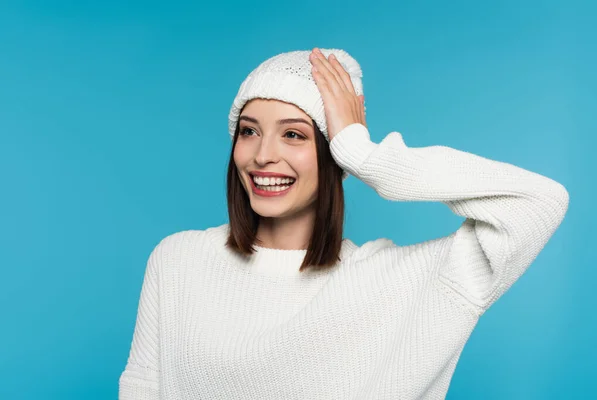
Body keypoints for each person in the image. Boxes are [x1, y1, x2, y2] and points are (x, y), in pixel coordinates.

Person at [118, 48, 570, 399]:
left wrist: (363, 153)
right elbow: (141, 389)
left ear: (333, 150)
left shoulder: (399, 283)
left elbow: (538, 202)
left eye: (294, 134)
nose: (261, 155)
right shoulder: (178, 261)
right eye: (249, 130)